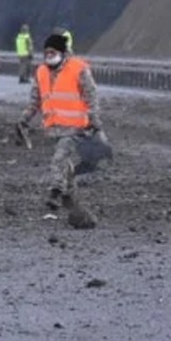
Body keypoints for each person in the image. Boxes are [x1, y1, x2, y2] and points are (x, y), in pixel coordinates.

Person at [17, 33, 102, 211]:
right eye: (46, 52)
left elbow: (91, 95)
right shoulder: (41, 72)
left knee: (59, 159)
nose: (49, 55)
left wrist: (94, 120)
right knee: (65, 163)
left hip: (77, 127)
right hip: (55, 128)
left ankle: (55, 192)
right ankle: (70, 197)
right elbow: (35, 101)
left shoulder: (78, 69)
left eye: (53, 51)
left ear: (63, 52)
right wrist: (24, 119)